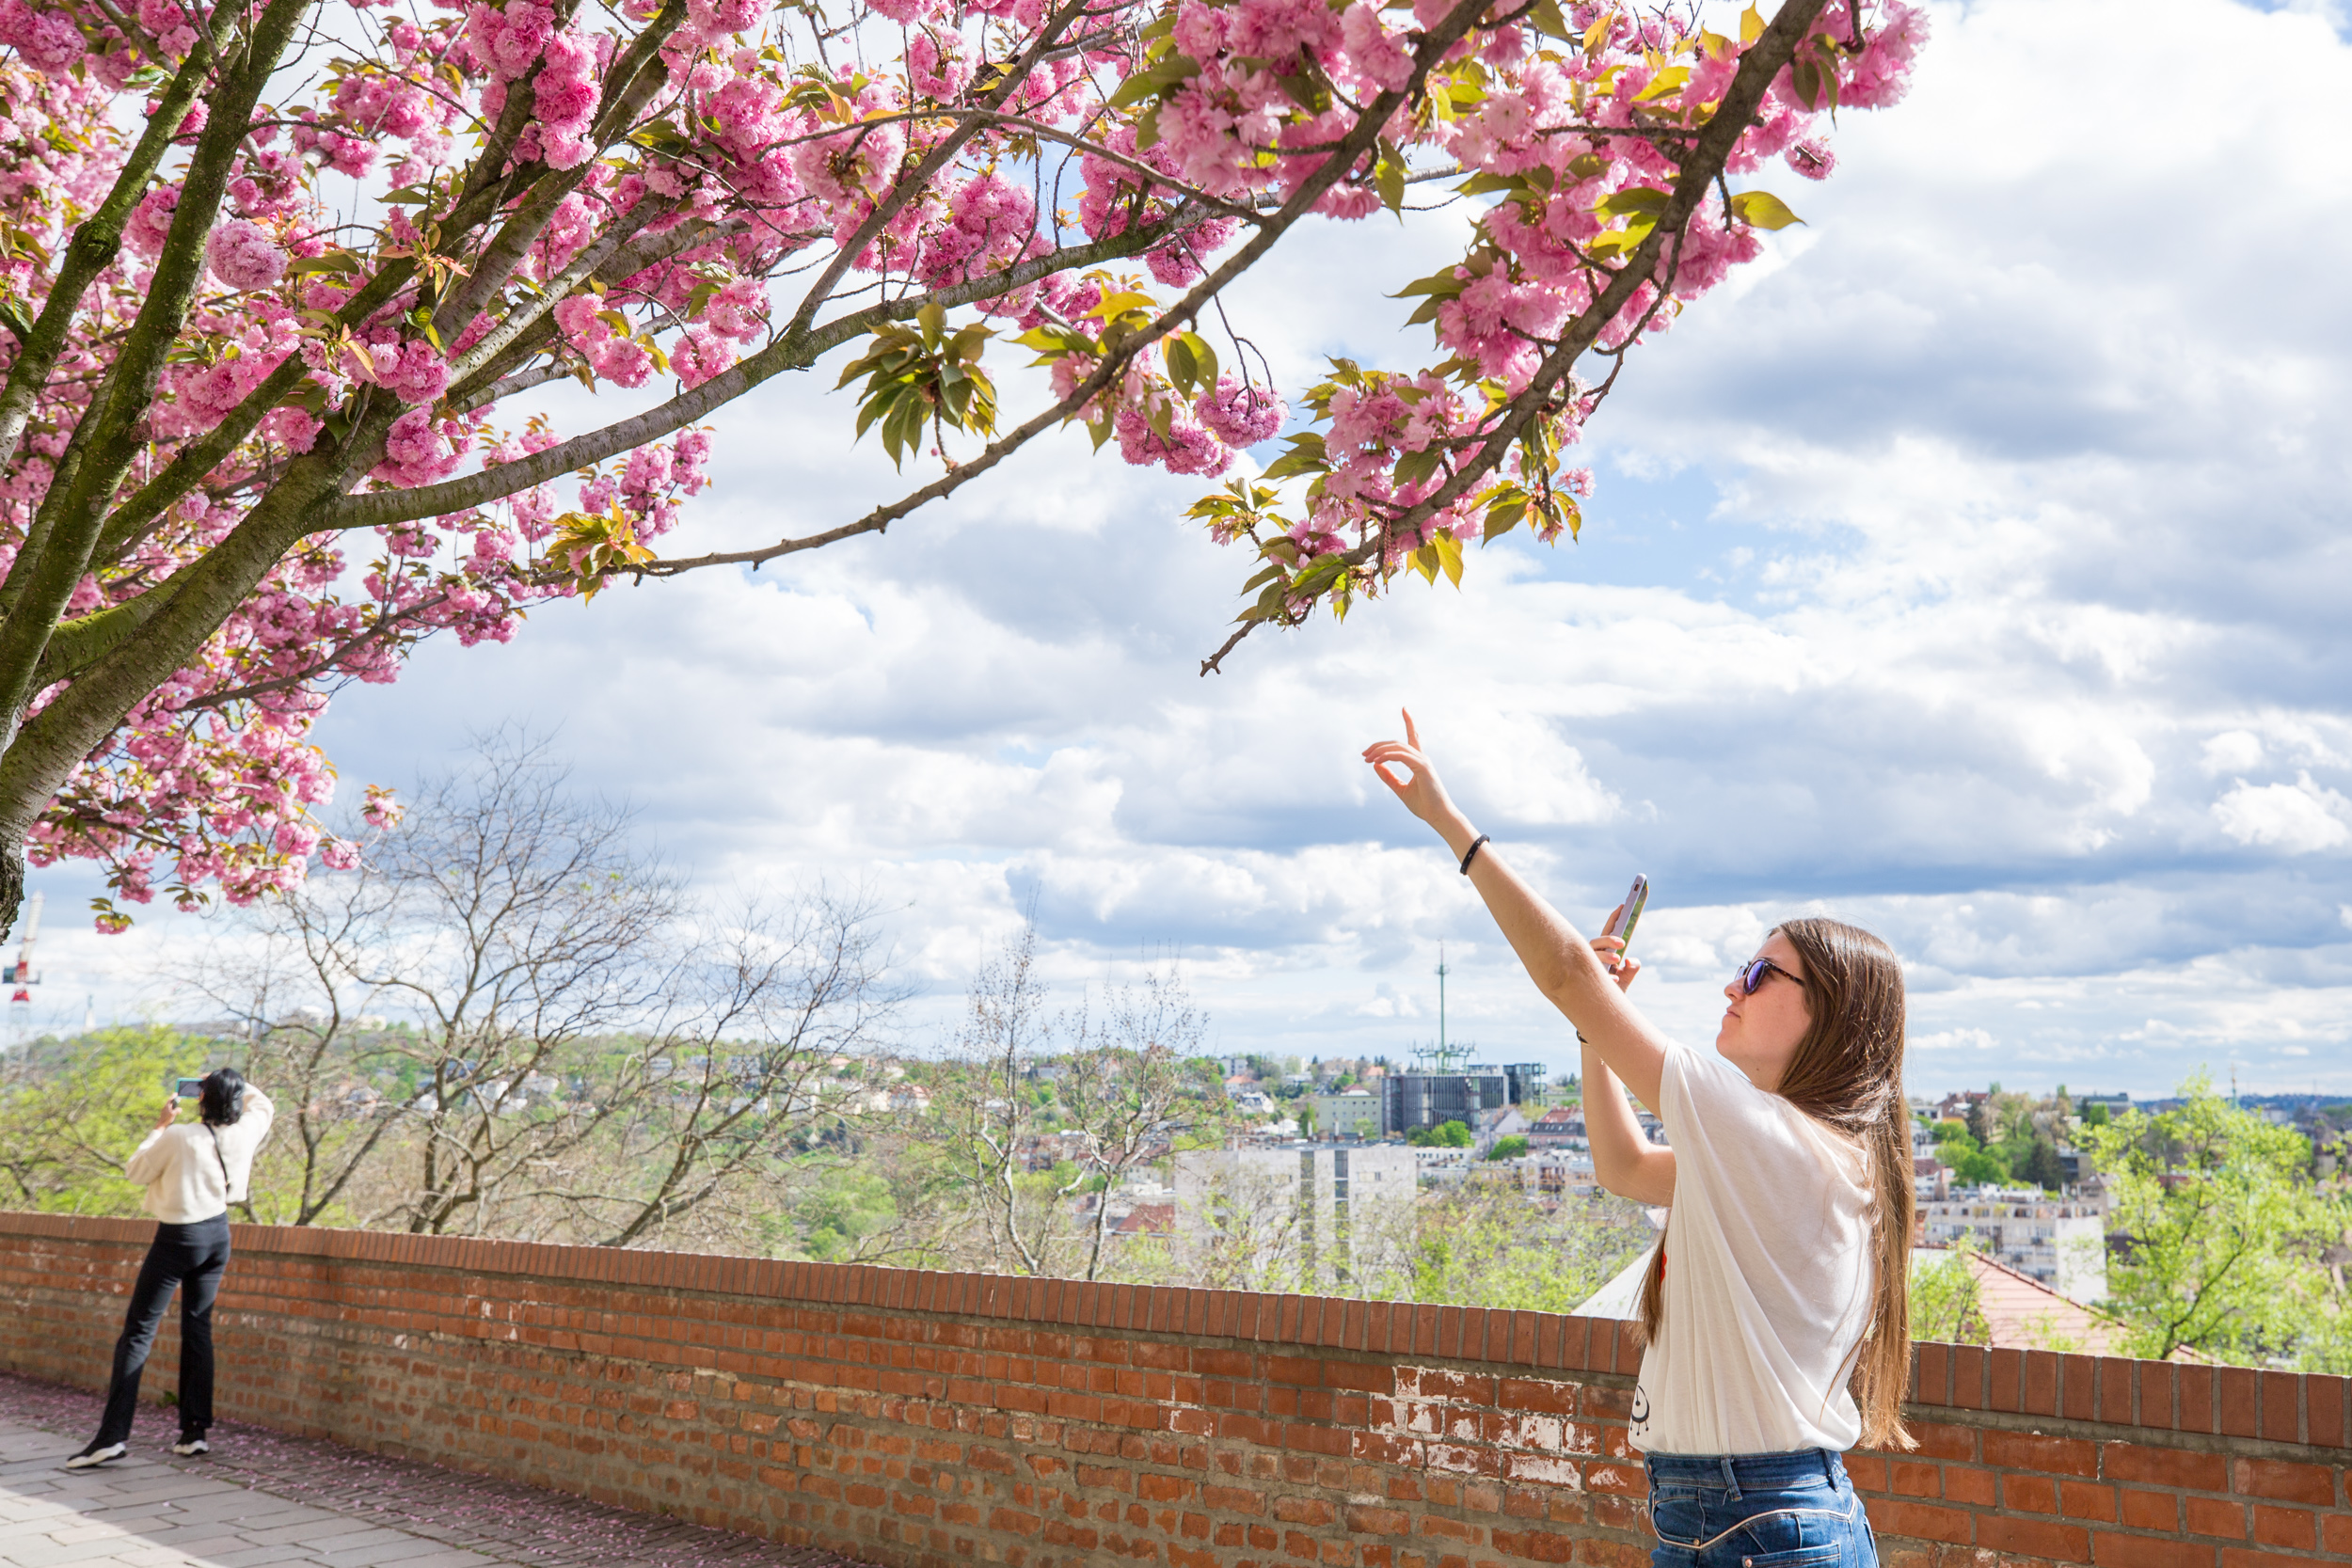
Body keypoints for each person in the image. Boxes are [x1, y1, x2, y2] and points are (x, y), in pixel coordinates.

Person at [1364, 711, 1910, 1567]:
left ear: (1829, 1015)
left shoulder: (1781, 1141)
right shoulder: (1783, 1152)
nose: (1734, 984)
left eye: (1762, 973)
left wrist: (1452, 825)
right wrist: (1595, 1040)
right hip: (1717, 1512)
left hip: (1764, 1519)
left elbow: (1568, 975)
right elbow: (1623, 1167)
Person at [66, 1067, 275, 1469]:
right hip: (218, 1236)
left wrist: (160, 1126)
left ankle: (111, 1437)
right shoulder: (246, 1130)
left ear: (202, 1097)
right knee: (198, 1328)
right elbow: (262, 1103)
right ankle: (194, 1433)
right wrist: (231, 1083)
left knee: (138, 1332)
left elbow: (136, 1171)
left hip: (178, 1237)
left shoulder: (181, 1136)